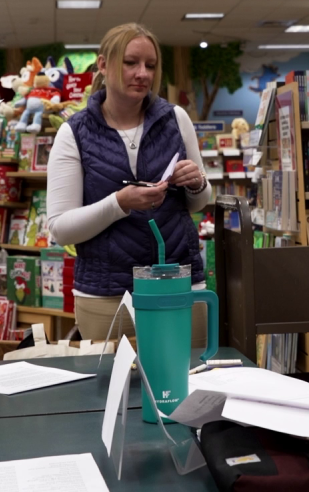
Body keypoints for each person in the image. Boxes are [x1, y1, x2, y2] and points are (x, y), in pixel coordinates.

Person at [47, 23, 211, 344]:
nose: (142, 74)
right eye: (130, 62)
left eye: (150, 66)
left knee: (185, 383)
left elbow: (199, 202)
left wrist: (196, 184)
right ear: (104, 64)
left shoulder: (176, 119)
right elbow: (61, 229)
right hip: (106, 295)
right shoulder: (74, 133)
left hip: (179, 285)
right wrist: (119, 203)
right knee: (113, 391)